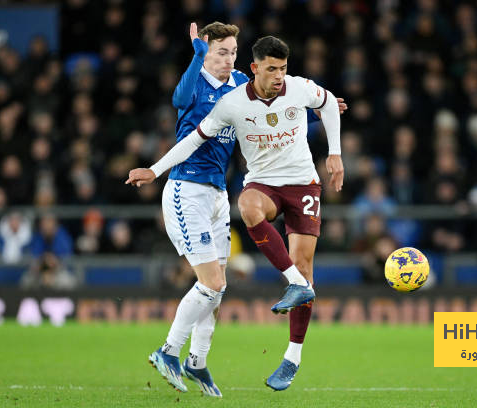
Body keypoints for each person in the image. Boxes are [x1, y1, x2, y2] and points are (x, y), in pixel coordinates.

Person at [128, 24, 346, 397]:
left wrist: (320, 123)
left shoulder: (247, 84)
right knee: (212, 279)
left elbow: (283, 106)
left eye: (231, 51)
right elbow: (189, 123)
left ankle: (198, 361)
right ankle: (168, 352)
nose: (227, 59)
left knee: (219, 287)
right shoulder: (199, 87)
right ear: (206, 54)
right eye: (220, 52)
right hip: (188, 186)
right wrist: (154, 170)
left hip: (220, 191)